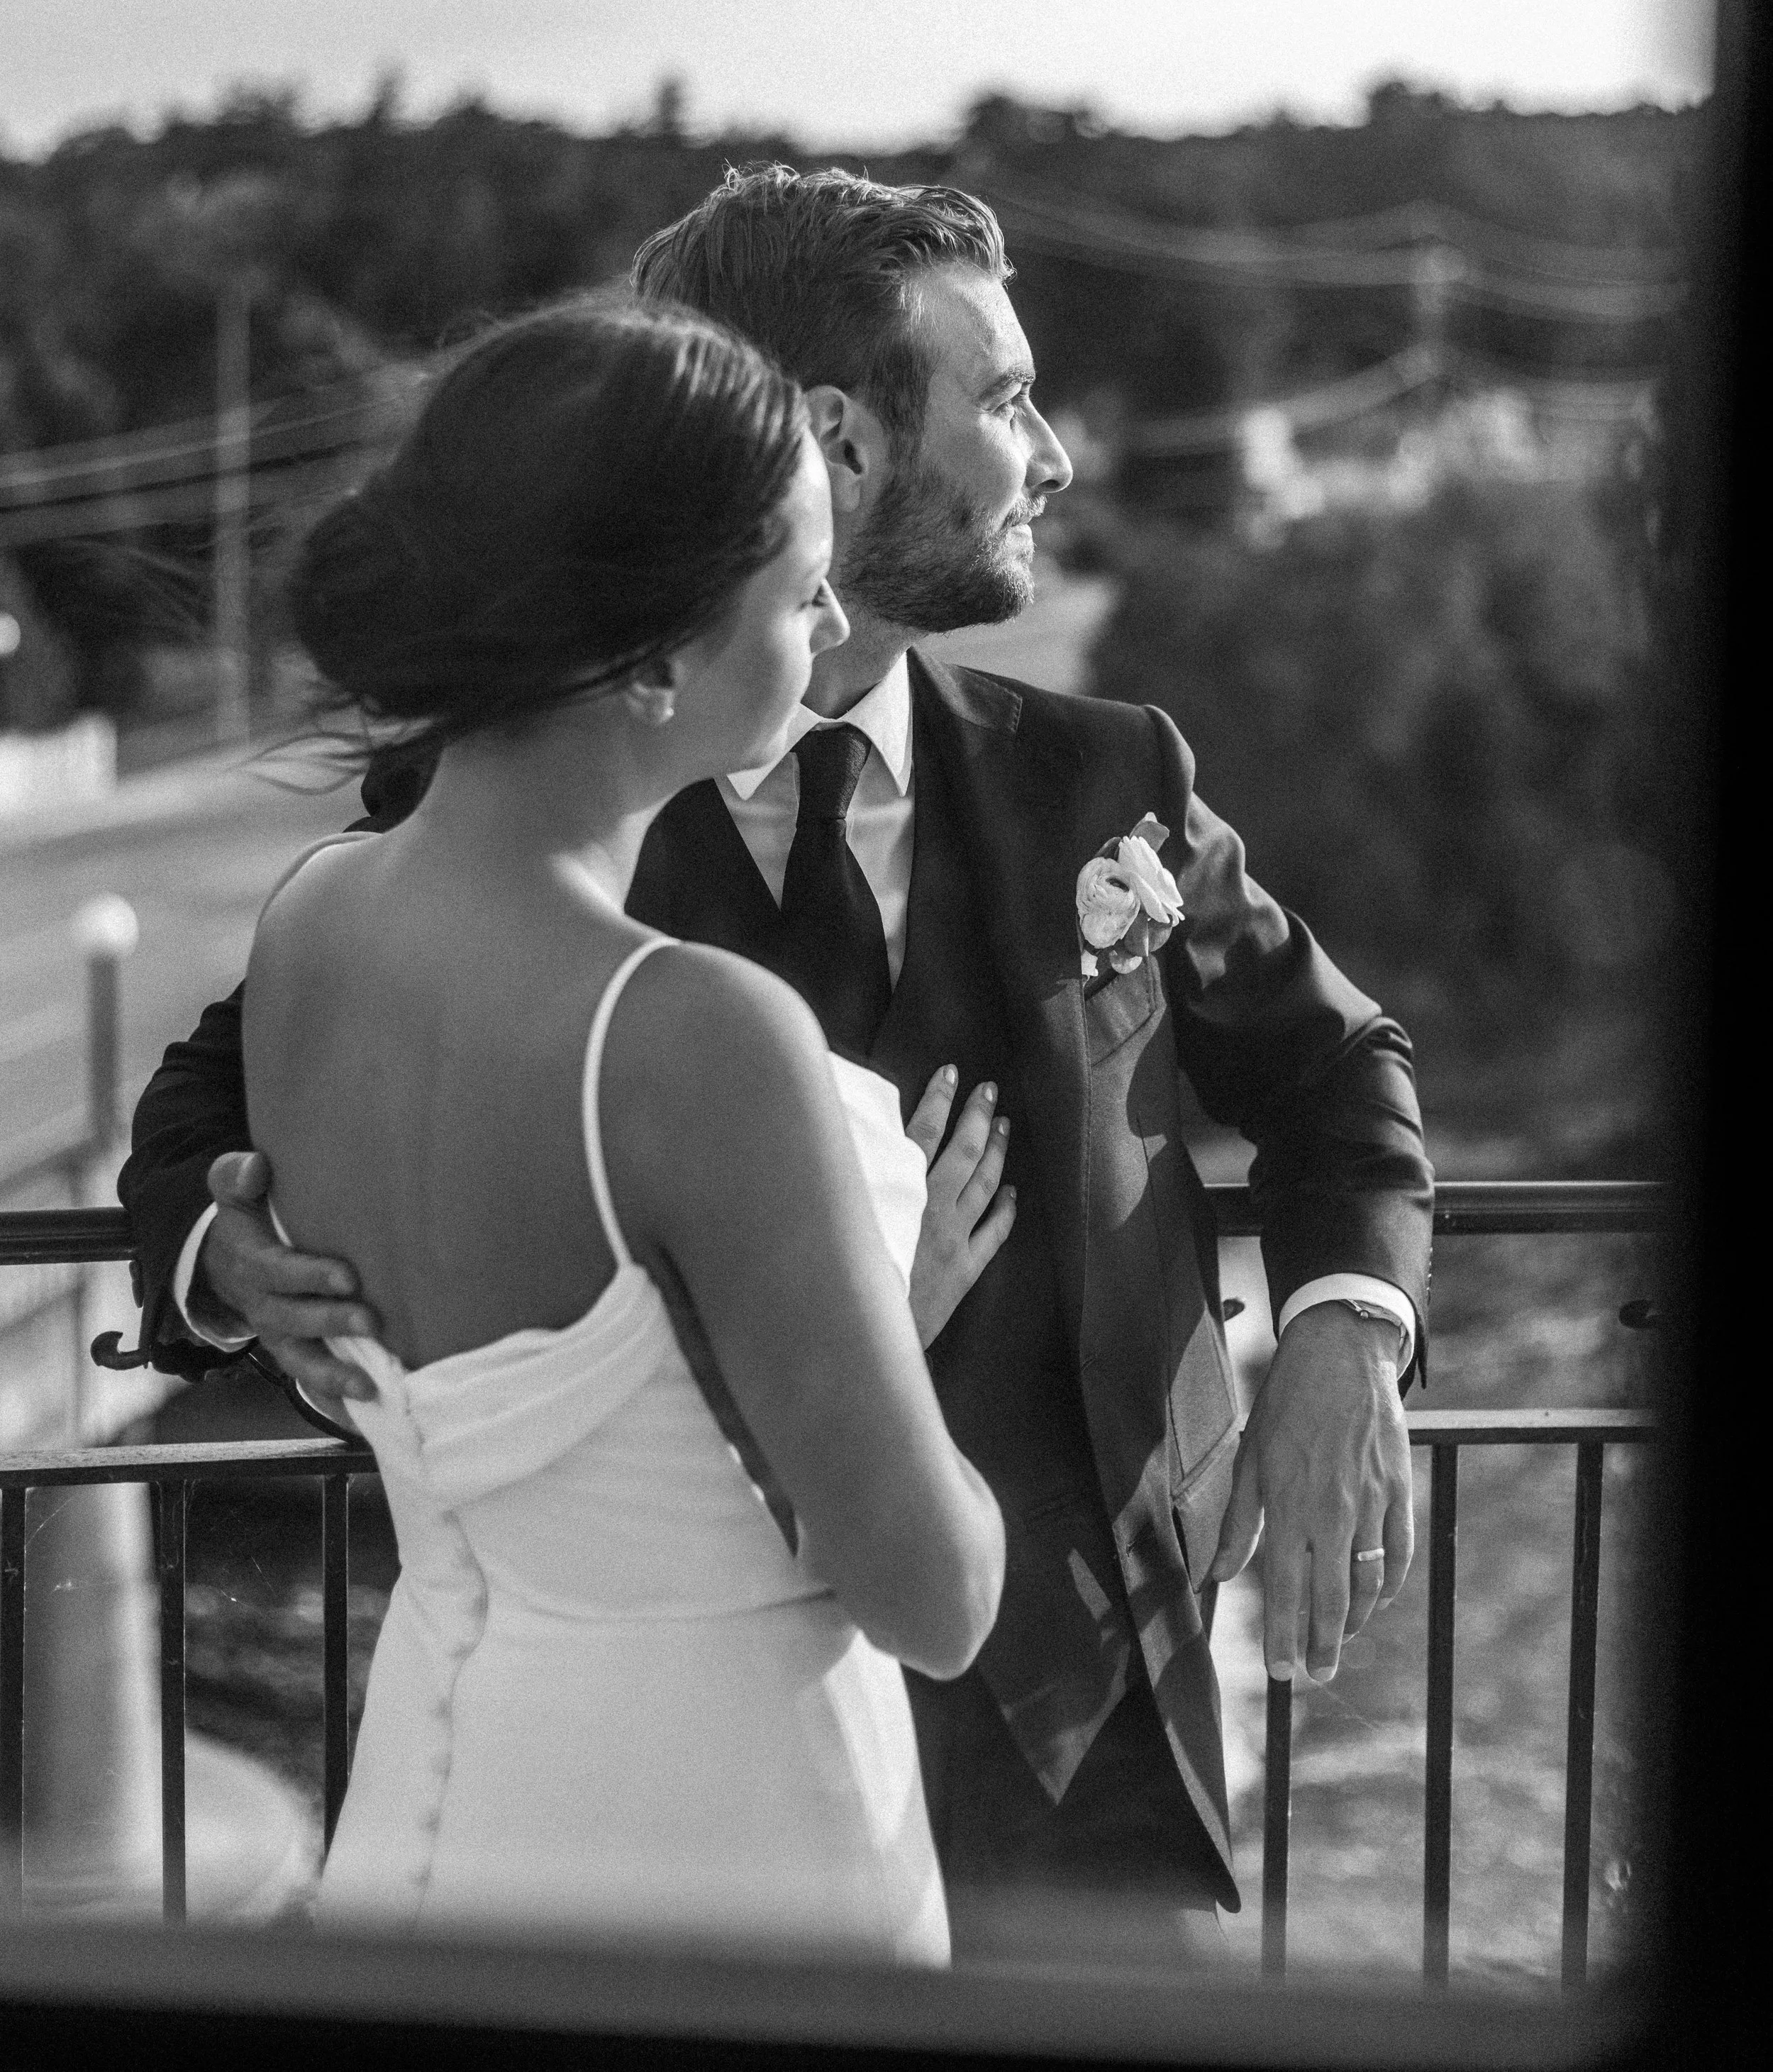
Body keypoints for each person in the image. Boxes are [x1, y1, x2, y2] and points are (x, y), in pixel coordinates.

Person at [118, 166, 1433, 1959]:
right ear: (837, 439)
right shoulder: (518, 797)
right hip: (736, 1768)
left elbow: (1332, 1068)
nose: (1047, 453)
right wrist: (220, 1261)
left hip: (1089, 1760)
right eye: (1000, 395)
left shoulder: (1107, 777)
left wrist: (1344, 1340)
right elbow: (219, 1090)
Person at [226, 296, 1006, 1950]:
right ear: (655, 655)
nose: (823, 635)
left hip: (436, 1802)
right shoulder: (694, 1040)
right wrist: (898, 1320)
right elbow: (933, 1600)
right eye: (801, 595)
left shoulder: (309, 924)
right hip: (719, 1851)